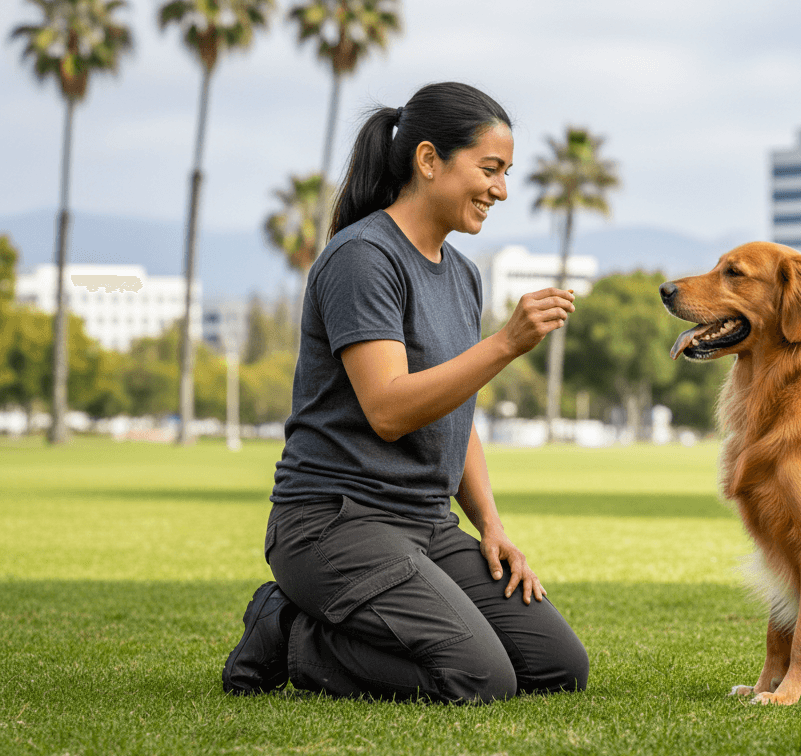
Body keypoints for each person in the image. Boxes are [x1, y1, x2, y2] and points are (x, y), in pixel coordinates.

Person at [221, 82, 587, 704]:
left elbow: (454, 410)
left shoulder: (463, 275)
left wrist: (491, 526)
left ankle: (319, 624)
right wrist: (504, 344)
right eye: (490, 169)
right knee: (479, 678)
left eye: (506, 173)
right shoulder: (363, 258)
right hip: (332, 523)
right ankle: (290, 633)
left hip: (425, 524)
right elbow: (389, 410)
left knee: (557, 665)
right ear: (428, 160)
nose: (501, 190)